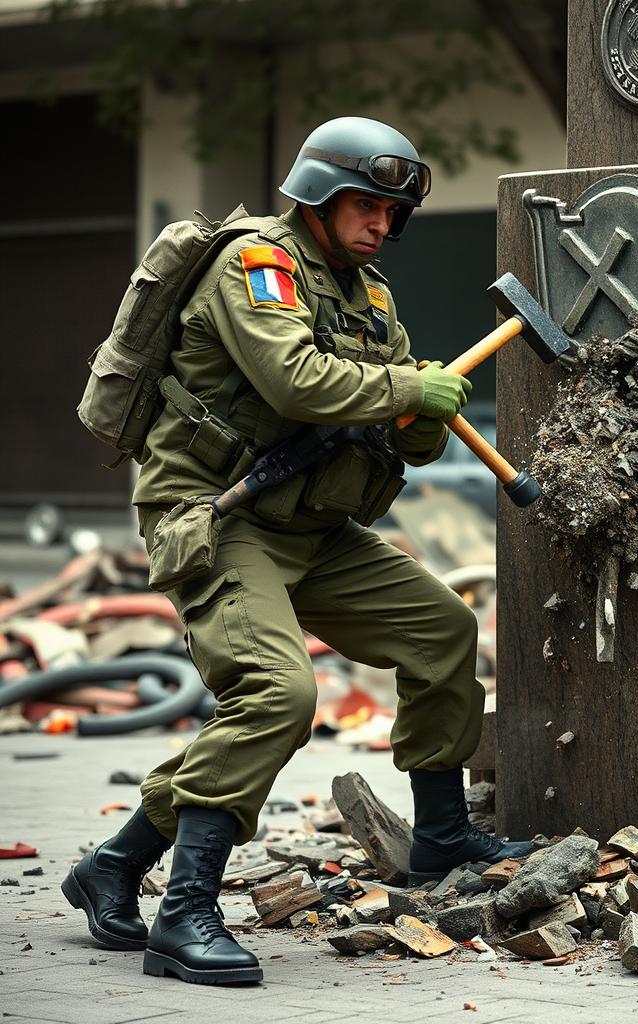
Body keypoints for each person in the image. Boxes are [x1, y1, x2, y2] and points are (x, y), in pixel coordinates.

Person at [62, 116, 531, 986]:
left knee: (441, 631)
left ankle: (437, 836)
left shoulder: (372, 296)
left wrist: (424, 417)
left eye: (394, 214)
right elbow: (296, 380)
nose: (382, 226)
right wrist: (403, 386)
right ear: (317, 196)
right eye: (367, 206)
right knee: (278, 693)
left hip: (315, 528)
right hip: (222, 517)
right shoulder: (257, 266)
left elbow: (401, 434)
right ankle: (185, 909)